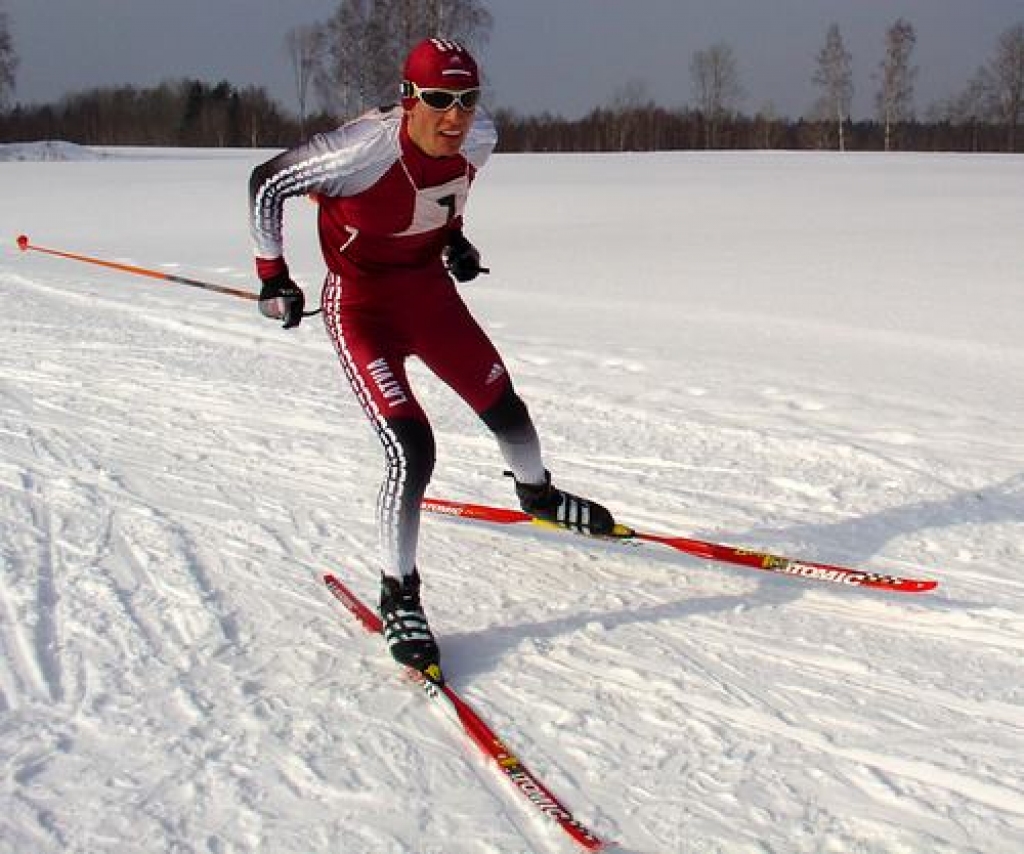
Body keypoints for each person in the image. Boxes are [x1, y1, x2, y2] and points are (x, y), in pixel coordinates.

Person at [249, 37, 616, 677]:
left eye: (467, 100)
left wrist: (456, 242)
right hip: (363, 312)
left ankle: (538, 496)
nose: (456, 116)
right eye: (440, 100)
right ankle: (400, 593)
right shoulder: (358, 151)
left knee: (507, 410)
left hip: (429, 299)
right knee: (412, 448)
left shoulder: (479, 139)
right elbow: (266, 184)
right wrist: (273, 275)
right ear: (408, 97)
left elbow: (441, 199)